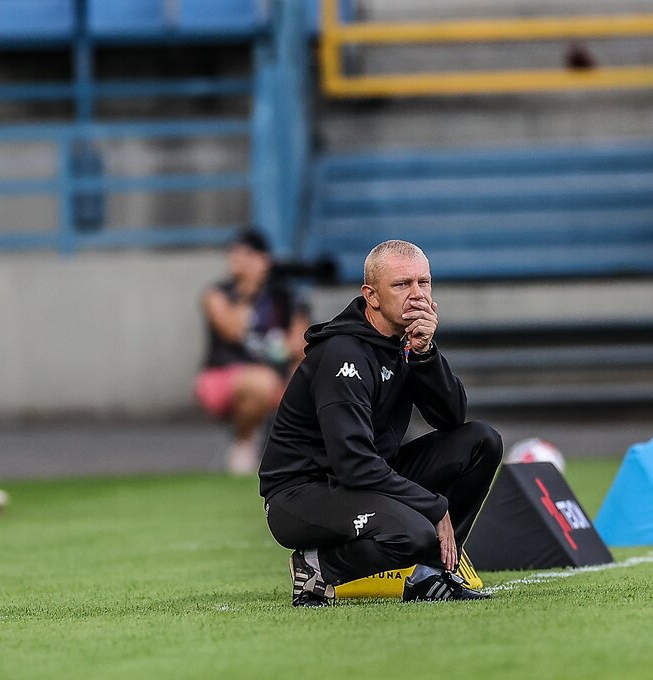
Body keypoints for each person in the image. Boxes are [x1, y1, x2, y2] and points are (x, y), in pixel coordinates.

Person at [259, 240, 502, 607]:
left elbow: (451, 418)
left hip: (364, 476)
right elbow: (353, 464)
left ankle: (431, 575)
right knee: (414, 533)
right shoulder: (344, 353)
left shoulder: (405, 343)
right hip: (303, 493)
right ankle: (317, 566)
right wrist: (434, 506)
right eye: (402, 284)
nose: (417, 295)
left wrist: (425, 353)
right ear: (371, 296)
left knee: (481, 441)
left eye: (424, 282)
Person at [196, 229, 309, 475]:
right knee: (262, 382)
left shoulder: (283, 296)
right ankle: (244, 443)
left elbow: (299, 344)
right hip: (223, 377)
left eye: (245, 254)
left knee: (309, 383)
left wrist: (285, 353)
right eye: (233, 254)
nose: (236, 260)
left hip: (275, 376)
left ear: (263, 259)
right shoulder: (218, 294)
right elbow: (232, 330)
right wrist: (248, 291)